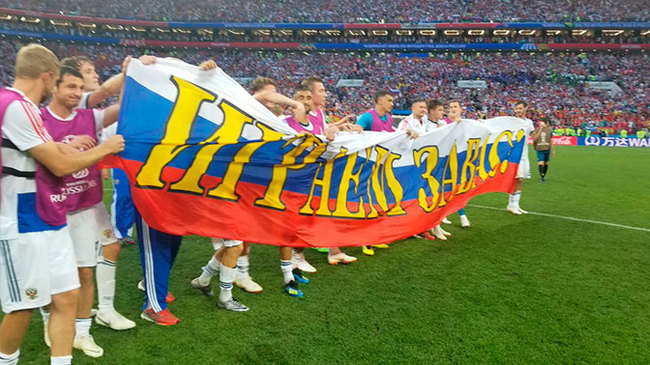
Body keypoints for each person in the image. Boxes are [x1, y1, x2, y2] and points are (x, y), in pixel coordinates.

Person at [0, 43, 123, 365]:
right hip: (21, 219)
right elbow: (59, 166)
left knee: (66, 296)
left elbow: (45, 150)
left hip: (45, 215)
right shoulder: (17, 106)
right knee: (22, 307)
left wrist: (68, 148)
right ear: (48, 77)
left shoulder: (17, 106)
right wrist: (104, 148)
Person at [39, 64, 135, 358]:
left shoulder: (88, 117)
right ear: (53, 87)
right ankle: (48, 323)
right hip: (50, 208)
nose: (77, 93)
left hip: (85, 207)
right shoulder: (37, 119)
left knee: (85, 272)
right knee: (49, 275)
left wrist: (139, 74)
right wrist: (62, 146)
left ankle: (82, 332)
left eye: (80, 88)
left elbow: (121, 107)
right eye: (70, 87)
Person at [300, 76, 359, 265]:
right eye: (321, 90)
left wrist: (341, 127)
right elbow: (303, 137)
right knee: (302, 212)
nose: (325, 94)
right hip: (304, 170)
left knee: (327, 208)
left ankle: (334, 251)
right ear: (310, 94)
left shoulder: (320, 112)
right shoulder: (302, 113)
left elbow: (325, 133)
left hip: (320, 168)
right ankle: (296, 257)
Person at [355, 90, 395, 256]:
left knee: (380, 200)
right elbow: (357, 130)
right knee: (367, 201)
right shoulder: (368, 117)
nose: (392, 103)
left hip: (382, 166)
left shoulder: (389, 118)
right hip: (367, 167)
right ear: (379, 101)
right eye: (389, 100)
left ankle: (376, 237)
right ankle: (365, 240)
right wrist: (357, 129)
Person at [441, 100, 470, 228]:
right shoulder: (443, 123)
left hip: (460, 160)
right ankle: (446, 215)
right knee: (447, 188)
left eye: (455, 107)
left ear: (460, 110)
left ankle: (461, 215)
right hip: (446, 161)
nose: (453, 109)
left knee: (459, 188)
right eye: (451, 107)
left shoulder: (466, 124)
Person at [506, 101, 535, 215]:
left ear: (526, 109)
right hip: (514, 155)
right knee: (518, 179)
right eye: (516, 108)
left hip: (524, 155)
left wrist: (542, 130)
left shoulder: (529, 122)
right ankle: (512, 205)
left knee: (520, 180)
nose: (518, 111)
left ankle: (515, 205)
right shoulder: (511, 122)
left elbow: (533, 136)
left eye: (520, 108)